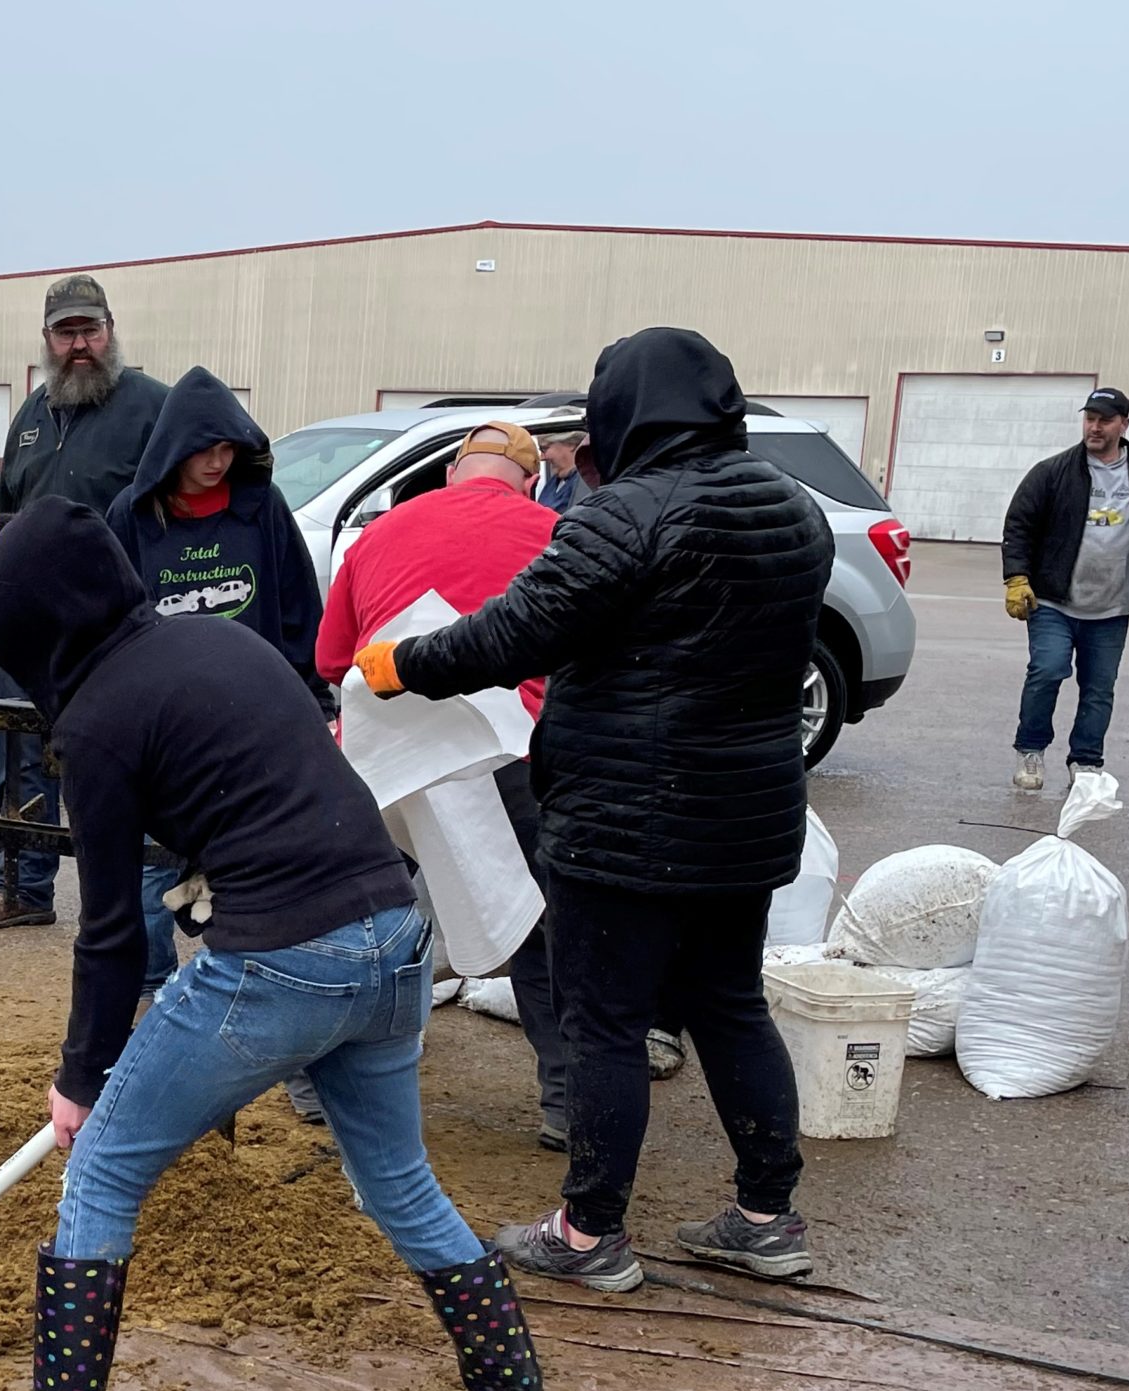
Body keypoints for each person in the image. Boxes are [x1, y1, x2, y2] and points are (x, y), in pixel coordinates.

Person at [0, 498, 567, 1391]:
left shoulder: (99, 722)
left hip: (284, 960)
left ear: (39, 634)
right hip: (394, 940)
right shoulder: (219, 645)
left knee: (101, 1169)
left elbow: (110, 937)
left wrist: (79, 1082)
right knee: (399, 1185)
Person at [354, 328, 831, 1292]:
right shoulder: (795, 510)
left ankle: (590, 1234)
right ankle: (767, 1217)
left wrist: (405, 663)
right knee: (730, 1005)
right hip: (749, 815)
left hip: (630, 819)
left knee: (604, 1020)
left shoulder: (629, 514)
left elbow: (518, 631)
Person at [317, 420, 566, 1141]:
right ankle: (569, 1102)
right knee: (539, 924)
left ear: (454, 473)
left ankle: (327, 1081)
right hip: (512, 749)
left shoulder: (379, 534)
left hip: (385, 758)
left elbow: (333, 661)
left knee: (356, 916)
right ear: (530, 479)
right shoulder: (554, 531)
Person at [0, 274, 169, 933]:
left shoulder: (153, 408)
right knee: (18, 754)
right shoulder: (30, 418)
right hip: (30, 632)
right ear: (47, 338)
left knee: (119, 765)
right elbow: (3, 516)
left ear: (111, 330)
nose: (80, 343)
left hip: (114, 631)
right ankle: (23, 888)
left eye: (90, 329)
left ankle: (131, 906)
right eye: (66, 332)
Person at [104, 366, 324, 996]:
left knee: (247, 865)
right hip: (164, 724)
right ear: (172, 449)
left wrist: (308, 691)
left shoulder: (260, 508)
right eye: (203, 449)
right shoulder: (133, 514)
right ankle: (154, 989)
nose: (217, 462)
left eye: (228, 448)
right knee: (149, 872)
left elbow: (296, 606)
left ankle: (237, 986)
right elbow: (109, 615)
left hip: (252, 720)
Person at [1000, 388, 1129, 793]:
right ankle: (1030, 750)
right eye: (1090, 418)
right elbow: (1020, 523)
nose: (1095, 427)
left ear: (1124, 424)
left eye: (1105, 420)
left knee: (1099, 687)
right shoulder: (1053, 472)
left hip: (1111, 605)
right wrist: (1017, 577)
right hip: (1053, 598)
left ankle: (1086, 762)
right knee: (1047, 670)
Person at [535, 432, 589, 514]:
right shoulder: (553, 482)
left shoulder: (586, 482)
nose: (542, 457)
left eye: (544, 449)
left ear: (570, 444)